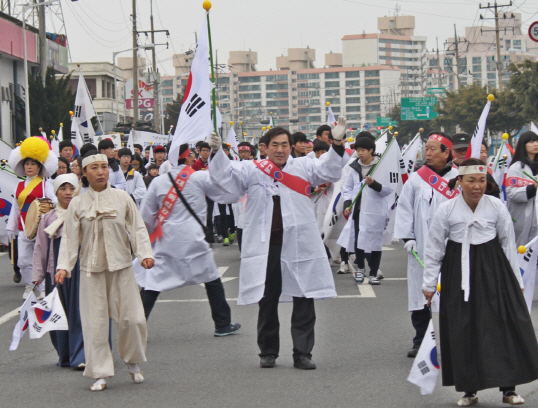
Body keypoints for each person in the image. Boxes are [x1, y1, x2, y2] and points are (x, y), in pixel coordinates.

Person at [208, 117, 348, 370]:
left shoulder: (304, 166)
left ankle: (303, 353)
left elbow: (329, 170)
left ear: (290, 146)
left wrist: (337, 144)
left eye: (285, 144)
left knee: (304, 295)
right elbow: (225, 179)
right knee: (267, 297)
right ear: (265, 147)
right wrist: (217, 153)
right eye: (275, 144)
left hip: (299, 243)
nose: (280, 149)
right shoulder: (251, 168)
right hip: (267, 246)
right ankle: (268, 352)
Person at [423, 158, 538, 407]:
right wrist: (429, 284)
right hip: (459, 272)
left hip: (494, 271)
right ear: (459, 182)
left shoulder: (496, 206)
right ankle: (469, 390)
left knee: (502, 326)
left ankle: (508, 389)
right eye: (471, 181)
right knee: (462, 327)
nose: (477, 186)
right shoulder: (446, 210)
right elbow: (434, 249)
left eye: (482, 180)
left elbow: (508, 245)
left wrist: (516, 281)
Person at [56, 151, 154, 392]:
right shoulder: (78, 203)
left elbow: (137, 228)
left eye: (103, 167)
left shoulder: (122, 198)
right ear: (85, 174)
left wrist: (145, 254)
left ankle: (132, 362)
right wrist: (63, 266)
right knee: (95, 323)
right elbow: (69, 238)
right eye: (94, 168)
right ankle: (99, 372)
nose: (100, 172)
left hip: (121, 268)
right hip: (91, 271)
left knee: (133, 319)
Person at [137, 144, 241, 336]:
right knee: (212, 279)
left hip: (166, 240)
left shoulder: (158, 182)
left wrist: (147, 241)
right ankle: (222, 324)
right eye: (192, 155)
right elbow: (225, 193)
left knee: (152, 284)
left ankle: (136, 329)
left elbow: (145, 217)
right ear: (187, 158)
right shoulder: (199, 177)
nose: (194, 158)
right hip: (194, 239)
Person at [394, 131, 459, 358]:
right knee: (421, 293)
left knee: (452, 292)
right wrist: (408, 237)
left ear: (447, 153)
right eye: (427, 148)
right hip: (421, 246)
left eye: (433, 149)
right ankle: (421, 339)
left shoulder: (459, 179)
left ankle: (455, 341)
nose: (428, 153)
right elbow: (404, 209)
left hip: (452, 246)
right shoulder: (416, 178)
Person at [32, 173, 85, 369]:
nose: (68, 193)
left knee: (79, 312)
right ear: (56, 192)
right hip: (55, 271)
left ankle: (80, 356)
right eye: (63, 189)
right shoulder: (48, 218)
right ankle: (65, 355)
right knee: (58, 314)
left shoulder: (82, 213)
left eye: (71, 188)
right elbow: (40, 248)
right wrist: (38, 275)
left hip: (78, 270)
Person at [7, 136, 58, 298]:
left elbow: (55, 202)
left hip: (41, 227)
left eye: (32, 164)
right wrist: (11, 228)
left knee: (41, 259)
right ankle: (30, 286)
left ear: (39, 167)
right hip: (23, 227)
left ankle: (41, 286)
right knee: (22, 260)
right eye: (26, 164)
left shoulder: (45, 185)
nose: (29, 167)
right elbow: (15, 208)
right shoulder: (19, 185)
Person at [340, 133, 390, 285]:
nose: (360, 153)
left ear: (371, 150)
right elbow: (347, 188)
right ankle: (360, 269)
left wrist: (374, 184)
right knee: (358, 241)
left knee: (375, 242)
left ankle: (374, 272)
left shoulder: (380, 167)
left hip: (375, 211)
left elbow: (388, 190)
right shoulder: (354, 167)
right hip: (358, 211)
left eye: (363, 150)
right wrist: (347, 204)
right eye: (358, 150)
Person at [507, 130, 538, 246]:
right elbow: (511, 193)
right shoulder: (516, 168)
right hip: (521, 218)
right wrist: (534, 188)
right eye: (531, 142)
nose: (536, 144)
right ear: (523, 145)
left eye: (537, 141)